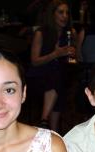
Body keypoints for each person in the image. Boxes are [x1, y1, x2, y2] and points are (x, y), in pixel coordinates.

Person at [27, 0, 76, 132]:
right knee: (56, 77)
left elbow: (76, 59)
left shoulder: (70, 33)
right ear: (52, 14)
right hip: (39, 75)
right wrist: (55, 54)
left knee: (59, 77)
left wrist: (73, 56)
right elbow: (35, 61)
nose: (65, 16)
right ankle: (50, 127)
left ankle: (47, 126)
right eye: (60, 12)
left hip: (61, 75)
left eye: (67, 13)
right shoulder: (41, 33)